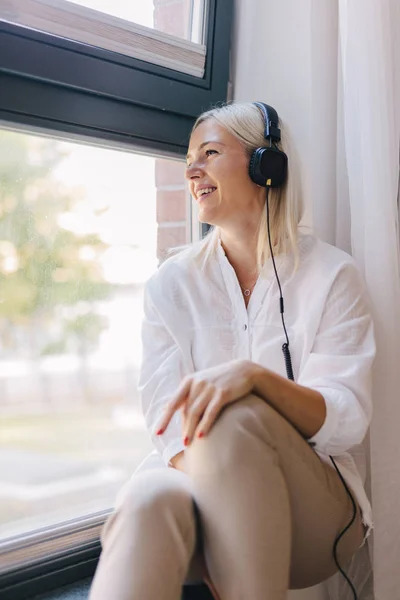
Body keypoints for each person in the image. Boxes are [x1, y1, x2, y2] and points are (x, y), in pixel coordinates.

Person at [89, 102, 375, 600]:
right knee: (145, 499)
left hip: (316, 513)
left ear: (267, 165)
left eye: (210, 152)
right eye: (189, 158)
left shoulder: (333, 275)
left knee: (234, 415)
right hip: (194, 494)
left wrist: (254, 378)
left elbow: (347, 420)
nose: (192, 170)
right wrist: (227, 501)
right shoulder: (170, 285)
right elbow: (165, 422)